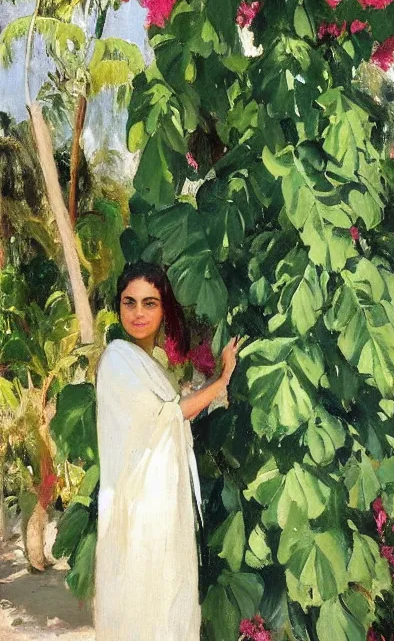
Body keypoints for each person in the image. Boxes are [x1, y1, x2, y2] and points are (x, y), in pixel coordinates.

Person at [94, 261, 239, 641]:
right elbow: (168, 415)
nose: (139, 313)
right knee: (141, 601)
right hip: (136, 511)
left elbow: (168, 417)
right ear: (119, 307)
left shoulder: (148, 364)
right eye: (130, 303)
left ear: (163, 309)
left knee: (168, 599)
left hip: (162, 503)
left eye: (150, 303)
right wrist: (222, 379)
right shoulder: (116, 360)